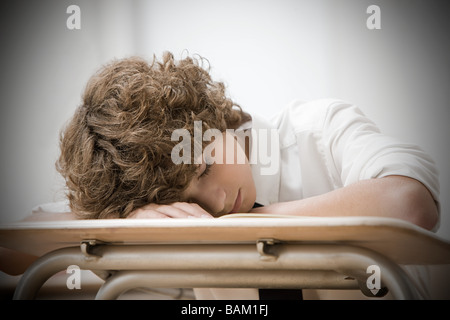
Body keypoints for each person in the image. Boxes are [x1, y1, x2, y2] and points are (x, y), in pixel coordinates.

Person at [3, 52, 441, 298]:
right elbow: (11, 247)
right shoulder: (145, 199)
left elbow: (409, 203)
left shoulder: (318, 132)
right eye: (181, 197)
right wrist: (119, 226)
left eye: (204, 165)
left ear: (212, 119)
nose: (211, 200)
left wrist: (241, 227)